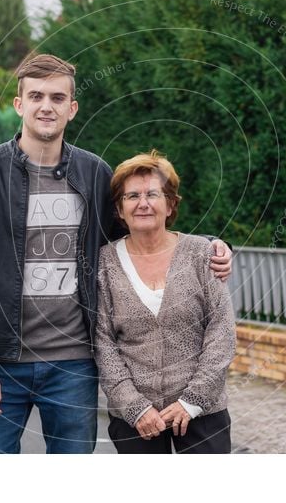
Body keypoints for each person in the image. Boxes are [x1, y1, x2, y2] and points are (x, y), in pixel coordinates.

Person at [0, 54, 232, 454]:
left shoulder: (95, 173)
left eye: (57, 97)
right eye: (36, 96)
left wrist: (209, 245)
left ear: (72, 108)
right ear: (19, 105)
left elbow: (137, 232)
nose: (46, 106)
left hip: (73, 365)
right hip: (0, 363)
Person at [95, 150, 236, 454]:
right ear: (119, 208)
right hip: (136, 421)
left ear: (170, 204)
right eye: (132, 196)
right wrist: (135, 407)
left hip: (203, 413)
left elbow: (222, 332)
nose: (142, 203)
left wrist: (192, 401)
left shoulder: (202, 253)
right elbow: (102, 342)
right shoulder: (104, 263)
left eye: (152, 194)